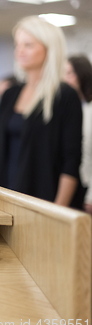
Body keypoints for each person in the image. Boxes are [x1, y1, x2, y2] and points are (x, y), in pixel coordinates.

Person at [0, 16, 83, 208]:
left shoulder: (65, 97)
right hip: (4, 194)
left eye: (28, 45)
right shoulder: (10, 94)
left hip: (42, 199)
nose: (19, 51)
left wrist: (57, 211)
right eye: (17, 44)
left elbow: (71, 160)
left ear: (48, 48)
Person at [64, 55, 92, 212]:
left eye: (70, 73)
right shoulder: (67, 110)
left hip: (86, 185)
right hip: (70, 180)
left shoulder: (89, 108)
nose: (65, 78)